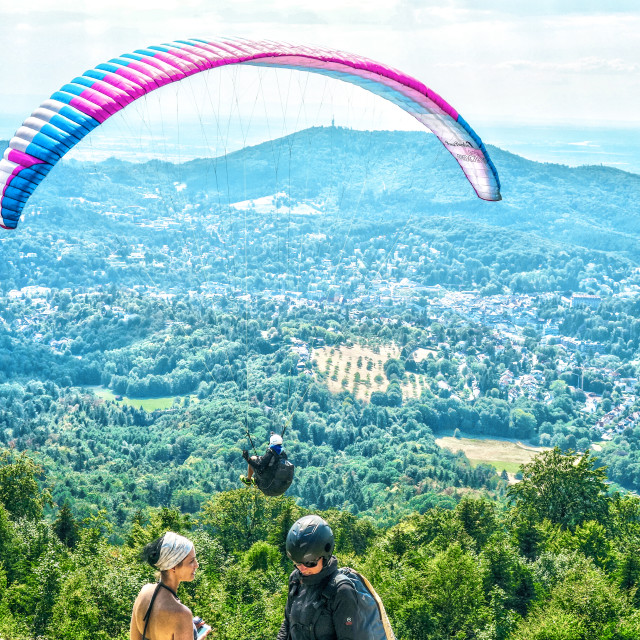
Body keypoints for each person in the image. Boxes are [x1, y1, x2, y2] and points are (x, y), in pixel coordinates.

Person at [277, 515, 358, 640]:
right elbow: (287, 624)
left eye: (309, 563)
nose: (302, 569)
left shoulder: (341, 591)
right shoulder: (295, 580)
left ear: (325, 555)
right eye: (297, 563)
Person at [130, 531, 211, 640]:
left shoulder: (144, 592)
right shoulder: (181, 614)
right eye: (191, 561)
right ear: (173, 566)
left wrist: (188, 627)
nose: (196, 565)